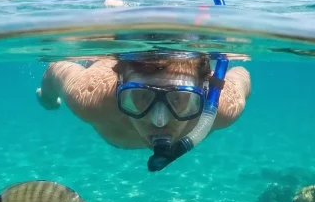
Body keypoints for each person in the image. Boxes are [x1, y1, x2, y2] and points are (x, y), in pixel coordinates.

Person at [36, 52, 251, 166]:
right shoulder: (91, 97)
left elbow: (241, 75)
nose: (159, 121)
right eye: (140, 97)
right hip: (104, 66)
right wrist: (47, 97)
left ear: (204, 93)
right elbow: (56, 68)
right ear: (119, 88)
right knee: (99, 61)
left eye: (179, 99)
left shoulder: (220, 109)